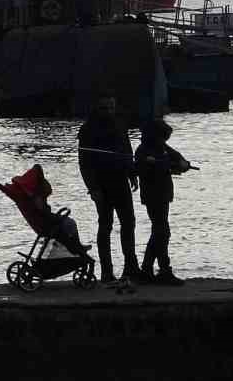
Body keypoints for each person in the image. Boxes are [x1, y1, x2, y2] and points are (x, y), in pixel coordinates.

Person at [78, 94, 142, 284]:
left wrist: (132, 173)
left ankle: (130, 267)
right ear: (97, 109)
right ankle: (107, 272)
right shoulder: (88, 130)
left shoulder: (119, 124)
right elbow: (84, 163)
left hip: (120, 180)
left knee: (129, 222)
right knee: (105, 225)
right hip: (101, 184)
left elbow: (127, 150)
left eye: (111, 107)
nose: (109, 111)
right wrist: (93, 188)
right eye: (105, 108)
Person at [136, 119, 193, 286]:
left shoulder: (161, 148)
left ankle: (148, 270)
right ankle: (162, 270)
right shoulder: (143, 151)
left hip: (163, 195)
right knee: (162, 232)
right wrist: (171, 164)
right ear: (154, 136)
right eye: (163, 138)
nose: (165, 142)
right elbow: (157, 166)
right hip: (153, 196)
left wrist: (182, 163)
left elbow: (175, 158)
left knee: (160, 232)